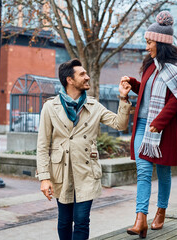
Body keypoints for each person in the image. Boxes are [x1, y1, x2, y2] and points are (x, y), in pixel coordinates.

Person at [121, 11, 177, 238]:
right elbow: (148, 93)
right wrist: (134, 84)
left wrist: (159, 123)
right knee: (143, 171)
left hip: (164, 129)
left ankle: (161, 210)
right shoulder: (151, 64)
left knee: (164, 171)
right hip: (142, 125)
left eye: (150, 42)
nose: (147, 47)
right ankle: (141, 219)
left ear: (161, 42)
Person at [36, 58, 132, 240]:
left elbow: (119, 124)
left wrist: (123, 98)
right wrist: (44, 178)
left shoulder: (94, 106)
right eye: (82, 74)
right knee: (64, 220)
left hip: (86, 171)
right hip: (61, 171)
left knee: (81, 219)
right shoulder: (50, 107)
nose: (87, 77)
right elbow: (42, 146)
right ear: (69, 80)